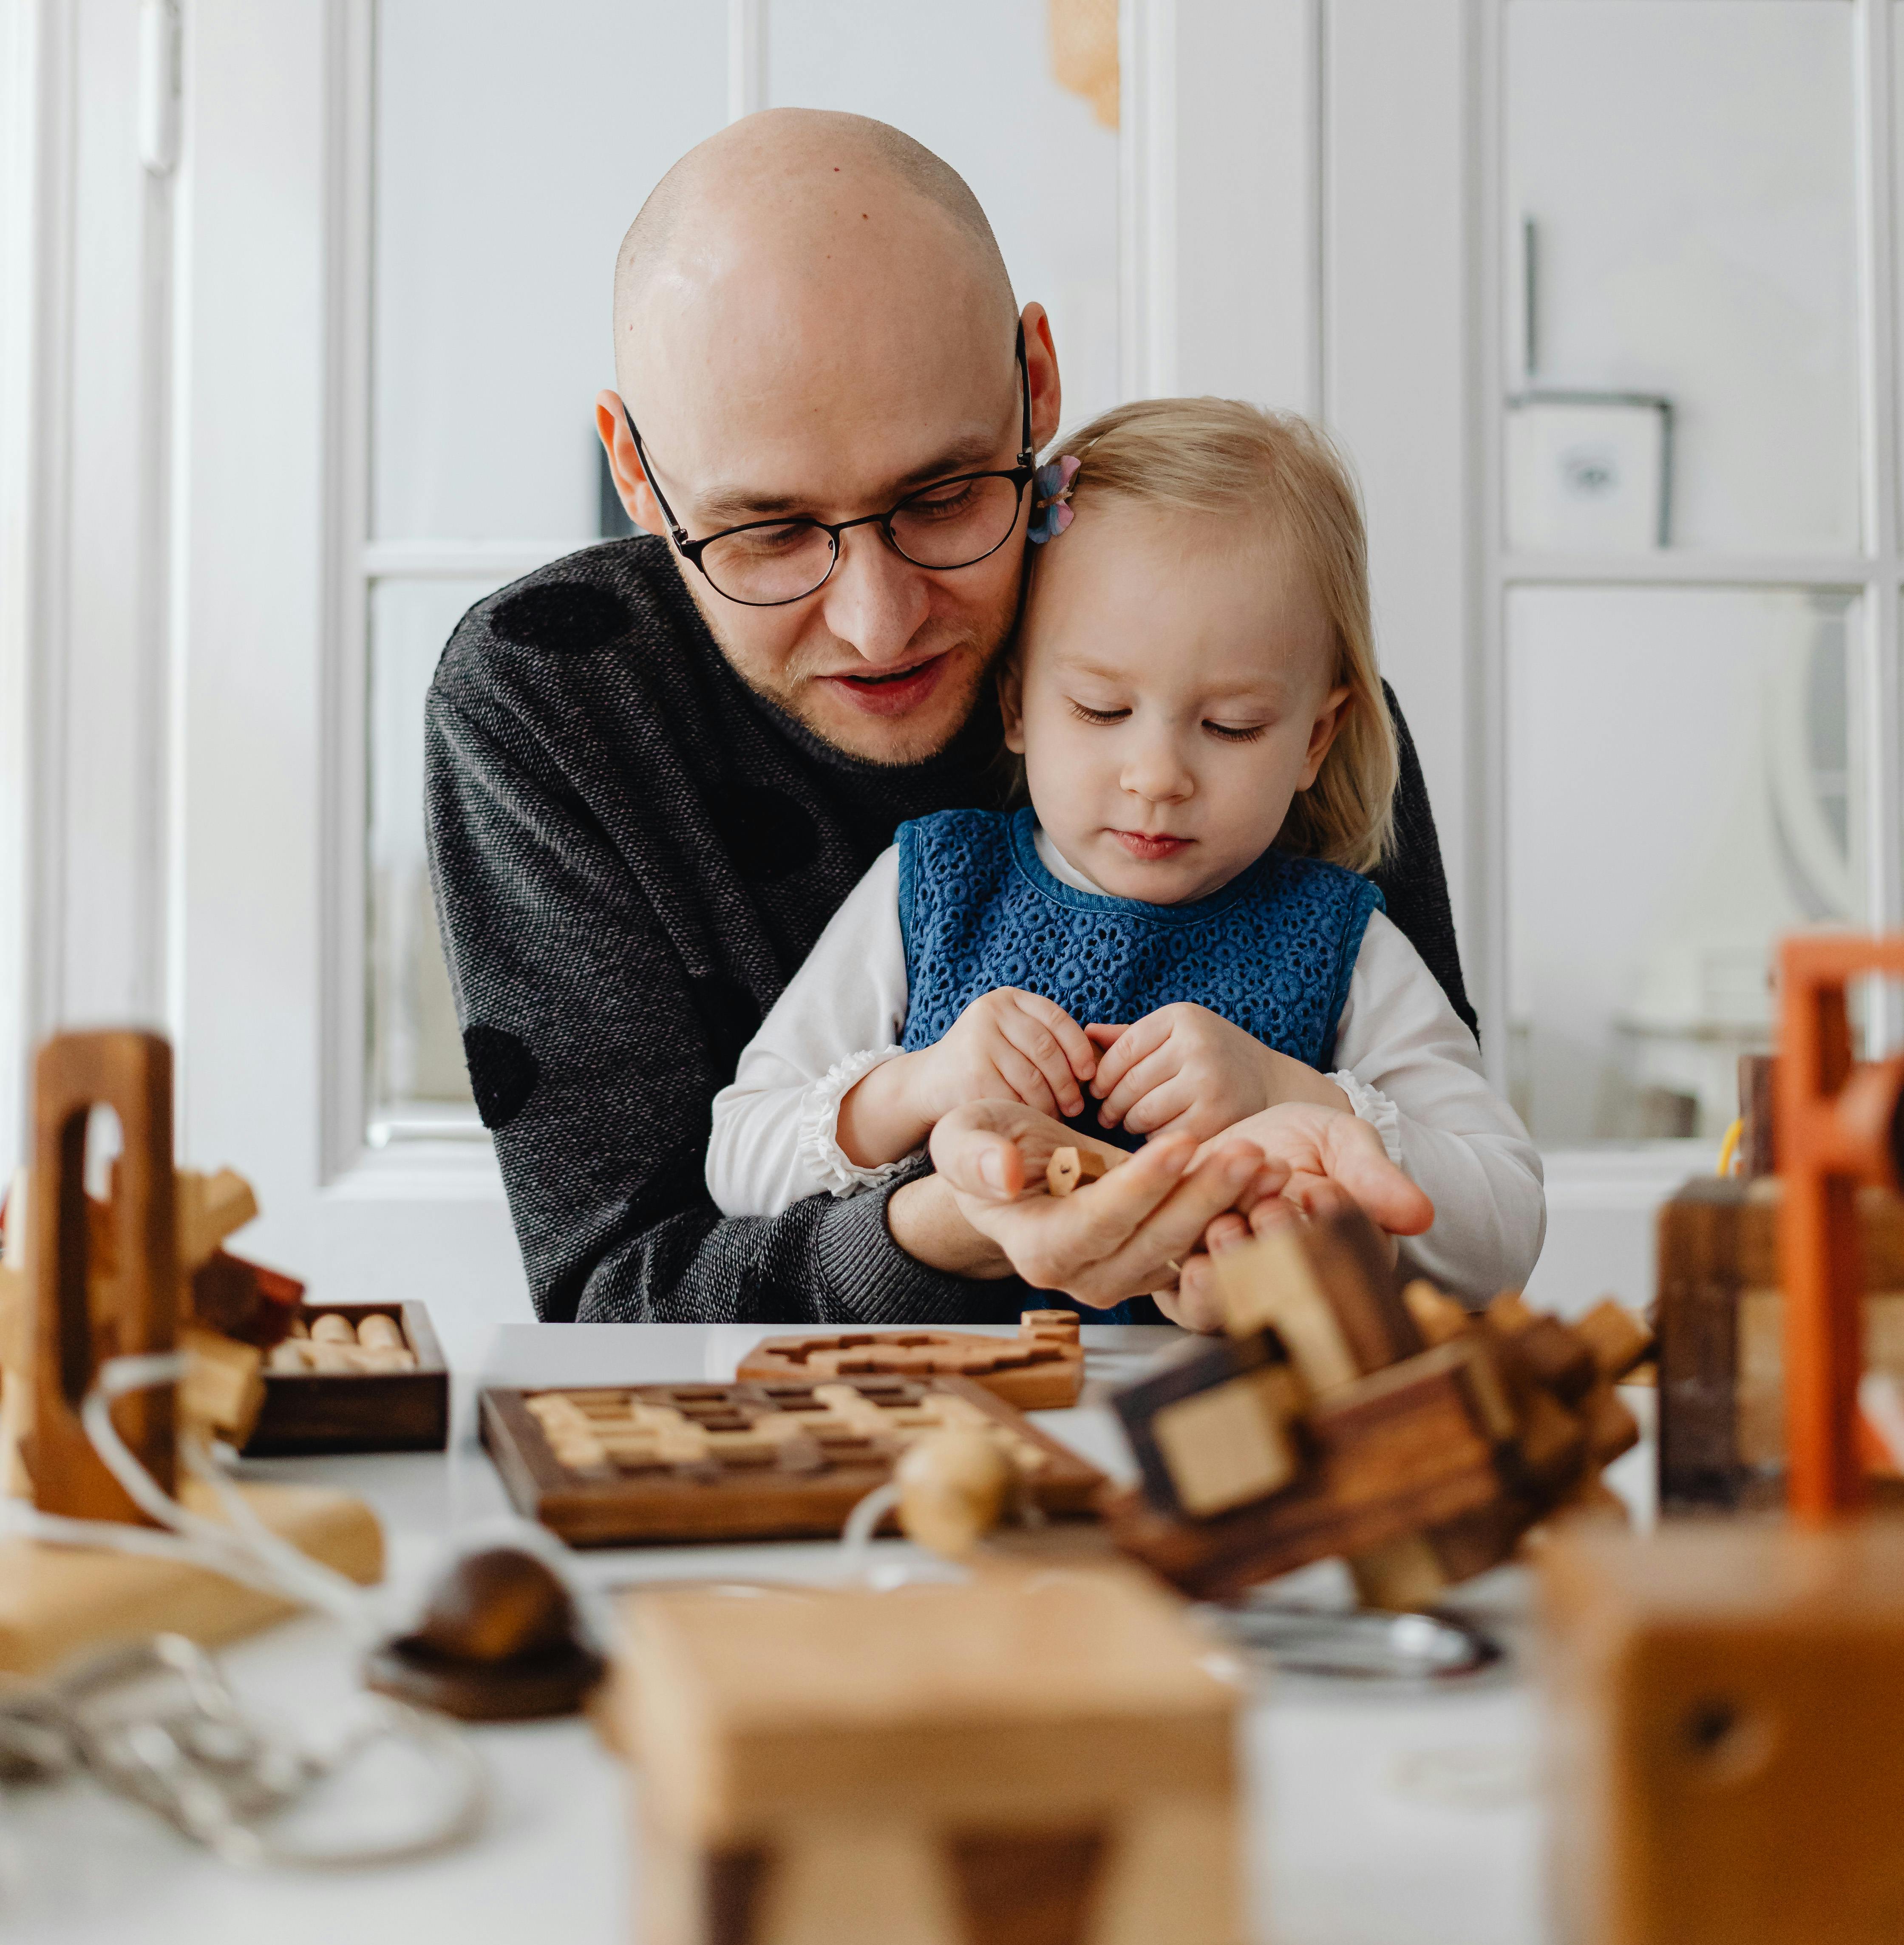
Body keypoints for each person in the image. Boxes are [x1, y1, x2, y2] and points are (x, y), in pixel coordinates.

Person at [425, 109, 1478, 1323]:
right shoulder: (559, 701)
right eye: (768, 532)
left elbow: (1448, 1242)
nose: (878, 624)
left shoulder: (1246, 674)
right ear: (638, 476)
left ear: (1034, 386)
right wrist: (937, 1230)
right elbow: (616, 1302)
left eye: (940, 498)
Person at [706, 397, 1542, 1321]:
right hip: (957, 1414)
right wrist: (921, 1085)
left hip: (1230, 1429)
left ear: (1315, 738)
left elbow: (1503, 1231)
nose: (1157, 777)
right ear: (1017, 706)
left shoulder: (1337, 938)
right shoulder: (934, 887)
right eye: (1102, 711)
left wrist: (1288, 1091)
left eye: (1232, 726)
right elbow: (739, 1160)